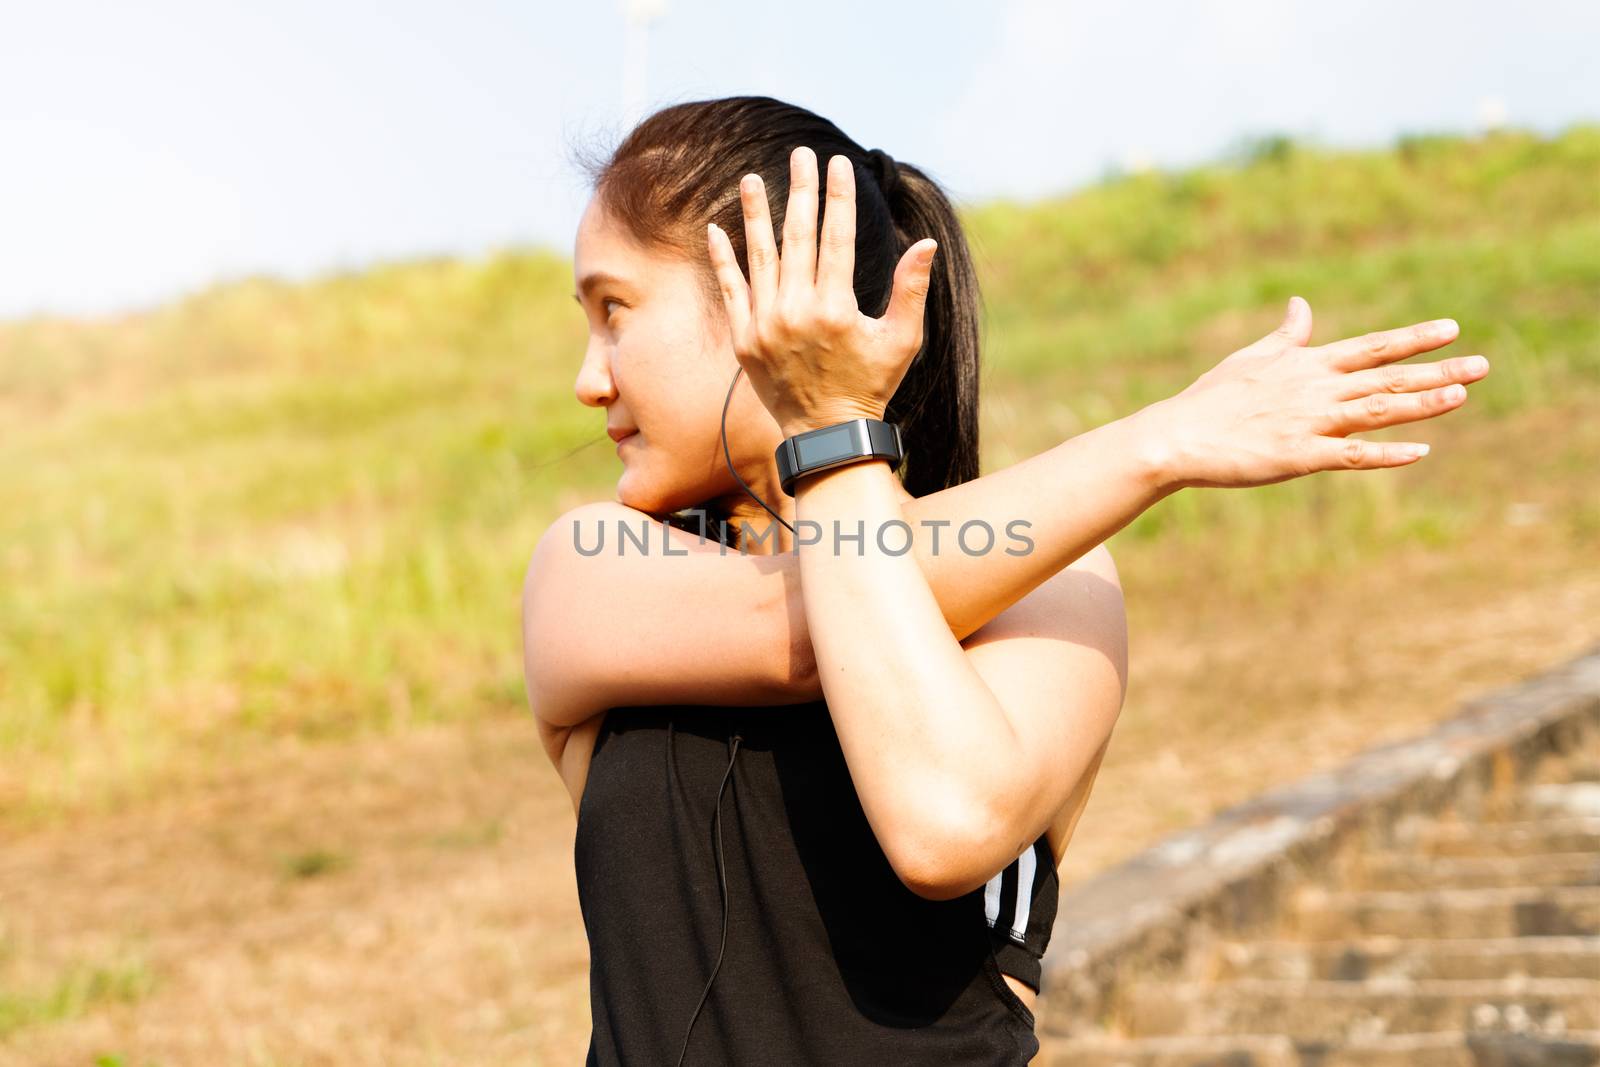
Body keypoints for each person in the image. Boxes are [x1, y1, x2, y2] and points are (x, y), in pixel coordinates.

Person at [522, 94, 1489, 1065]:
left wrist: (824, 429)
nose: (588, 377)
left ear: (762, 294)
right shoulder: (590, 565)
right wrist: (1152, 444)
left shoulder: (1054, 588)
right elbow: (809, 629)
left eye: (615, 311)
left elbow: (942, 820)